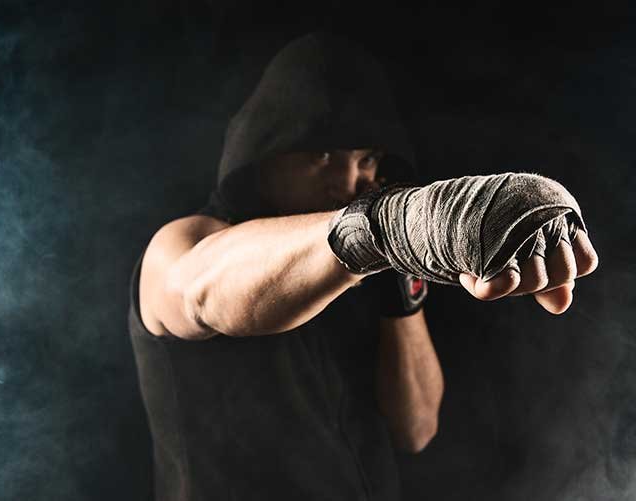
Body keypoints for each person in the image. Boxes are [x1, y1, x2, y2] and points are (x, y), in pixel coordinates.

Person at [127, 32, 598, 501]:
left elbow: (416, 428)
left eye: (366, 158)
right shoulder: (182, 243)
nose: (349, 181)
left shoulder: (360, 264)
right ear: (264, 154)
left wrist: (397, 274)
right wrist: (388, 226)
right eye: (323, 155)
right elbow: (201, 291)